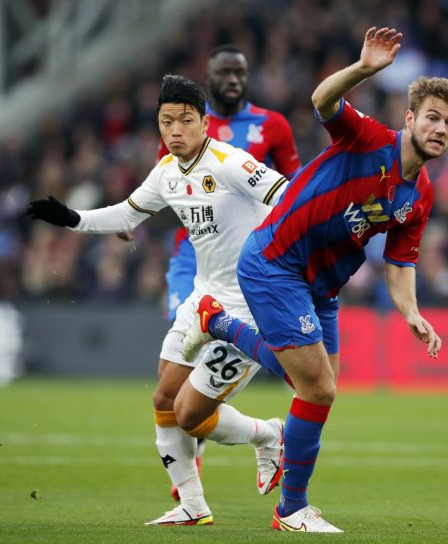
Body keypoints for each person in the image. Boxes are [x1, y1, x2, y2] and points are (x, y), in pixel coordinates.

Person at [181, 27, 448, 532]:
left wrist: (411, 312)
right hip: (275, 262)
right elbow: (322, 101)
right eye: (432, 117)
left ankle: (219, 325)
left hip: (322, 286)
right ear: (409, 118)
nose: (440, 129)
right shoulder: (368, 138)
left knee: (316, 386)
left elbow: (400, 262)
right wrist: (363, 69)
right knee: (318, 390)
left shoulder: (420, 195)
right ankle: (291, 510)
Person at [26, 74, 293, 526]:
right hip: (203, 299)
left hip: (251, 307)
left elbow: (289, 196)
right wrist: (71, 218)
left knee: (190, 414)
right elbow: (127, 214)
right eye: (166, 121)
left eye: (185, 120)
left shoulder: (231, 163)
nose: (175, 130)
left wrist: (287, 256)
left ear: (205, 123)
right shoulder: (167, 172)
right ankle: (192, 505)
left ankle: (269, 435)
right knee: (165, 398)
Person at [154, 45, 301, 501]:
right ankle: (193, 449)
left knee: (195, 385)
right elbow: (165, 181)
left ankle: (201, 427)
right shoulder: (184, 123)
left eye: (240, 72)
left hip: (247, 260)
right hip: (193, 258)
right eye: (224, 72)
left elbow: (293, 185)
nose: (233, 79)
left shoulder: (272, 125)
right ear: (210, 76)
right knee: (179, 360)